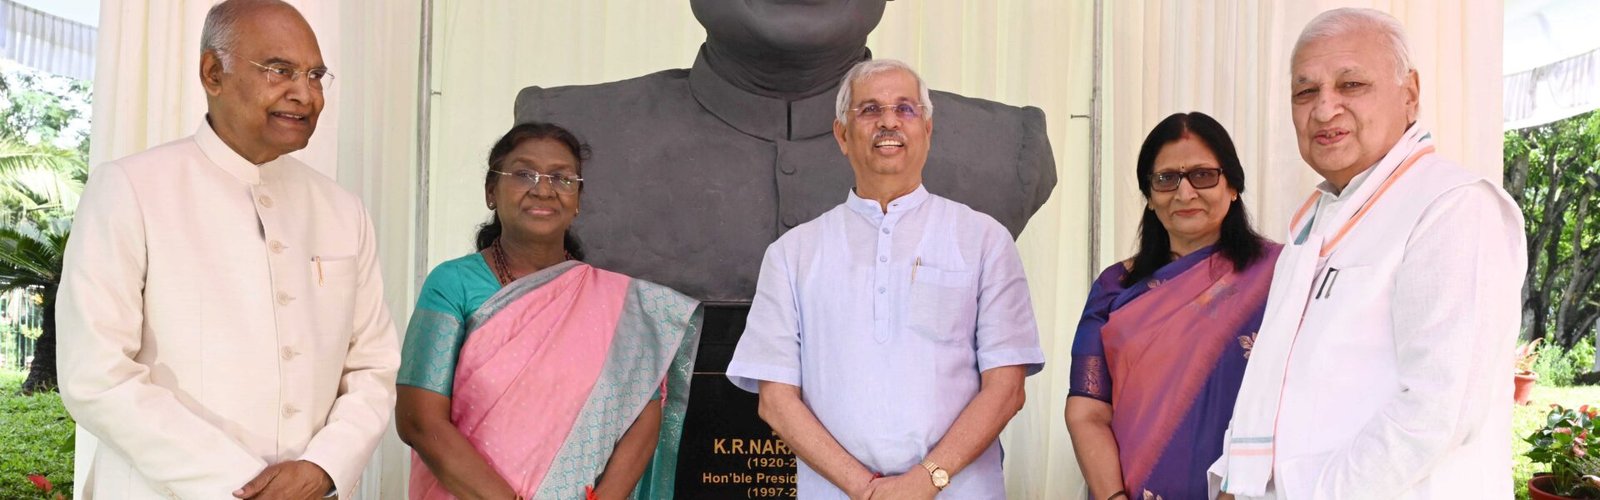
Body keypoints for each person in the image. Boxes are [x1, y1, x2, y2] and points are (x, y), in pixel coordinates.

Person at [55, 1, 399, 498]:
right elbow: (96, 376)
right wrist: (241, 485)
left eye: (315, 76)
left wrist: (325, 467)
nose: (305, 94)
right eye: (280, 70)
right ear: (213, 73)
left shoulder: (343, 210)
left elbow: (372, 366)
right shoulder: (132, 188)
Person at [1210, 8, 1527, 499]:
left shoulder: (1452, 206)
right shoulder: (1314, 222)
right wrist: (1239, 481)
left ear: (1410, 94)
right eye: (1305, 92)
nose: (1324, 109)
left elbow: (1434, 414)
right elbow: (1272, 384)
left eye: (1351, 84)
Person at [726, 59, 1045, 499]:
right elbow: (776, 401)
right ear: (842, 135)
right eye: (870, 109)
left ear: (927, 130)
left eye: (906, 109)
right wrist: (866, 489)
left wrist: (925, 480)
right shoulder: (793, 254)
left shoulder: (983, 239)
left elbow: (1006, 389)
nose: (889, 121)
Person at [396, 122, 703, 499]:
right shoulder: (453, 284)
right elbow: (419, 421)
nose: (543, 190)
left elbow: (643, 412)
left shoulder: (615, 304)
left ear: (578, 199)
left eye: (562, 178)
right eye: (524, 174)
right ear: (491, 192)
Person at [1064, 112, 1281, 500]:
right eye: (1166, 179)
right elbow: (1087, 410)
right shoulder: (1115, 287)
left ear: (1233, 185)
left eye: (1203, 175)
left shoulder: (1279, 274)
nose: (1184, 193)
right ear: (1149, 196)